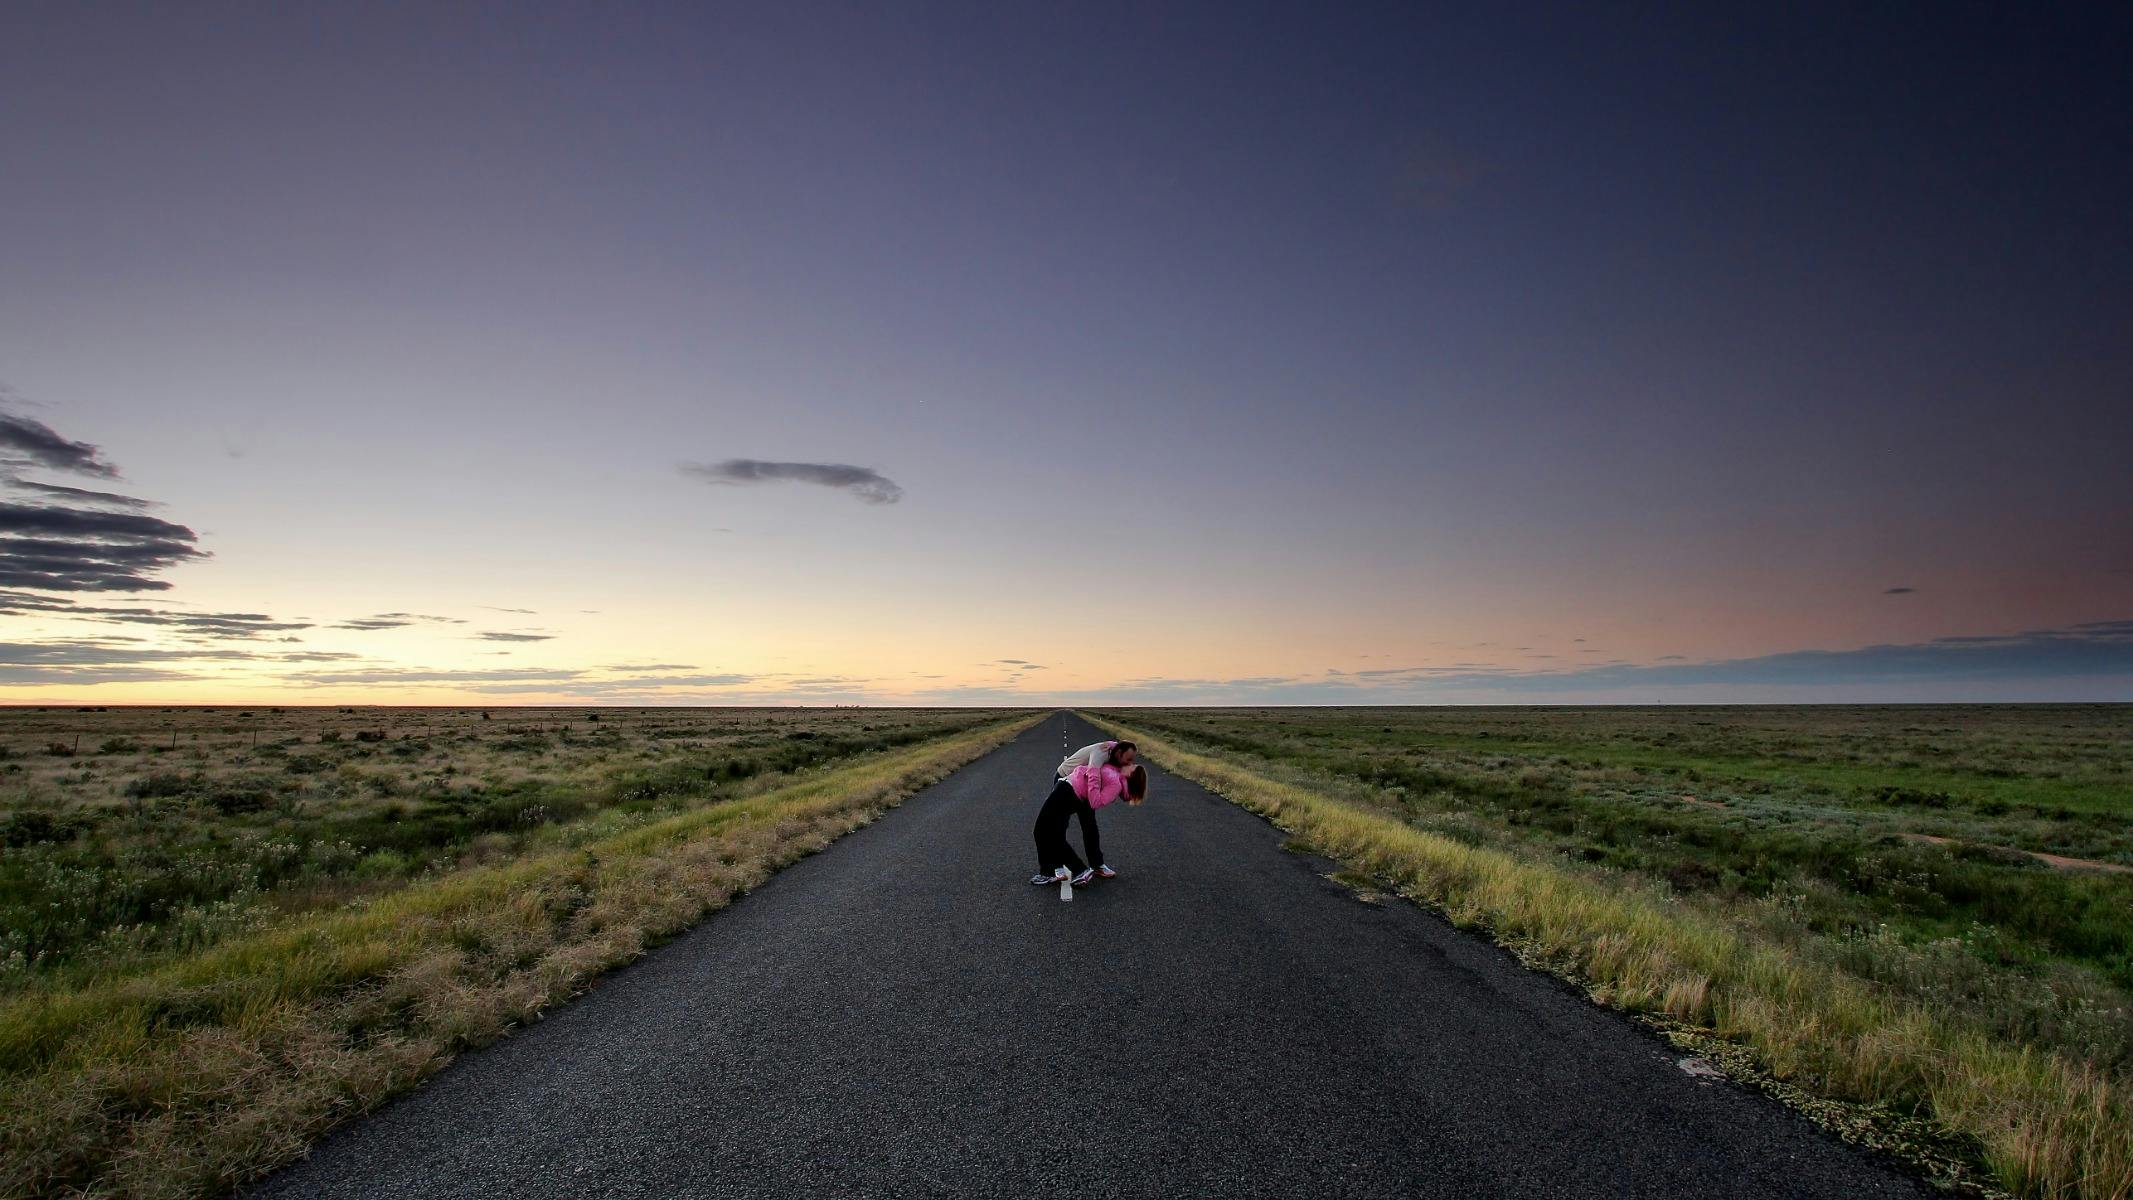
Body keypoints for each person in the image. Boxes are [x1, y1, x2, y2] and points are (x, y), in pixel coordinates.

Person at [1031, 756, 1147, 886]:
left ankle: (1075, 870)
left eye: (1132, 767)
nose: (1130, 764)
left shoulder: (1116, 783)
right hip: (1069, 788)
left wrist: (1092, 774)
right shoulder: (1116, 773)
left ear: (1131, 775)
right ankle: (1055, 871)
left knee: (1043, 831)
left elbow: (1095, 801)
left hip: (1068, 791)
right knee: (1047, 832)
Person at [1054, 739, 1138, 878]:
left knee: (1089, 824)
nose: (1130, 763)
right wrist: (1097, 799)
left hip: (1082, 784)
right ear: (1119, 753)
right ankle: (1057, 866)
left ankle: (1097, 864)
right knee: (1060, 824)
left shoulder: (1115, 752)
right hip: (1064, 779)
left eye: (1132, 759)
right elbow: (1092, 773)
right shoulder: (1100, 753)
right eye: (1128, 759)